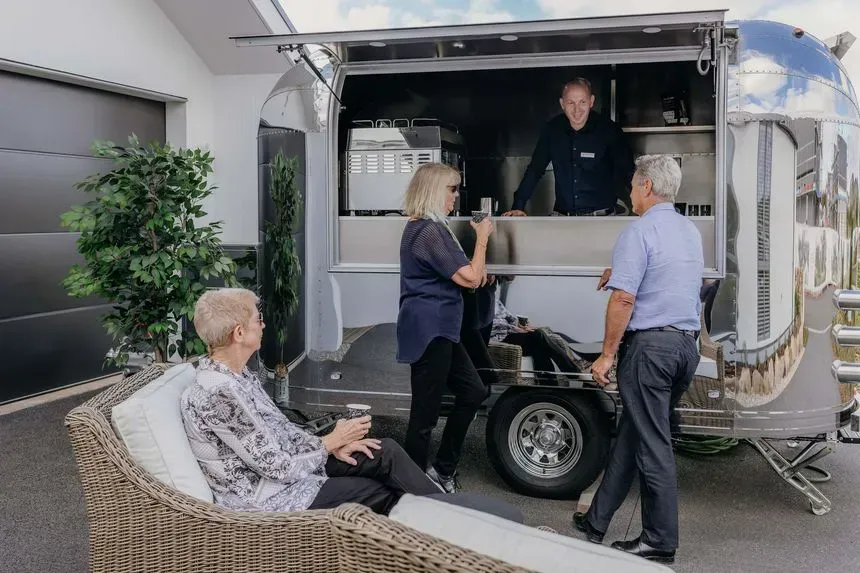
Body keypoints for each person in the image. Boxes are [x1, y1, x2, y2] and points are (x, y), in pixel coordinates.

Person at [180, 288, 441, 516]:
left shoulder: (238, 376)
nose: (263, 325)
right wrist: (331, 442)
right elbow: (277, 468)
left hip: (290, 471)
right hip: (270, 498)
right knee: (381, 492)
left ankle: (455, 515)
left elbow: (283, 432)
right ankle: (450, 538)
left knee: (384, 452)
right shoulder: (220, 394)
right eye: (258, 319)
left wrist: (329, 448)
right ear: (238, 333)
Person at [572, 155, 703, 565]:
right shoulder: (688, 231)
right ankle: (596, 522)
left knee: (653, 447)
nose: (629, 192)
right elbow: (668, 277)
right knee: (633, 435)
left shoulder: (639, 230)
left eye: (632, 185)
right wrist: (622, 270)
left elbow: (624, 299)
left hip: (651, 352)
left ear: (646, 186)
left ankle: (658, 542)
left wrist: (606, 355)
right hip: (684, 348)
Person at [397, 162, 494, 493]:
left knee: (474, 391)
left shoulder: (429, 227)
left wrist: (476, 271)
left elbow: (469, 276)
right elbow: (471, 278)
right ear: (434, 190)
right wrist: (482, 238)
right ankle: (410, 490)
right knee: (424, 415)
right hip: (430, 331)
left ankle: (442, 471)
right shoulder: (427, 230)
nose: (456, 195)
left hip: (441, 331)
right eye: (452, 189)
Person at [503, 77, 634, 217]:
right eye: (571, 102)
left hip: (602, 219)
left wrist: (642, 209)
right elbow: (535, 169)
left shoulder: (609, 130)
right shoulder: (552, 130)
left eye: (582, 102)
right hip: (562, 218)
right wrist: (518, 206)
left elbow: (627, 172)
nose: (577, 109)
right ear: (562, 103)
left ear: (591, 101)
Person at [490, 289, 588, 382]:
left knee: (539, 346)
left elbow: (510, 317)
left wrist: (521, 325)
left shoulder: (494, 300)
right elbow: (492, 327)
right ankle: (574, 372)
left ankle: (548, 386)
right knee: (538, 335)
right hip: (498, 339)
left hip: (510, 333)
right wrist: (514, 328)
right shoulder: (480, 302)